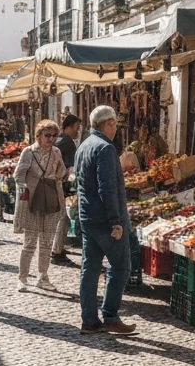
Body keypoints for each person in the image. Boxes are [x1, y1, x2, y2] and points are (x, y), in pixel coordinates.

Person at [75, 105, 136, 336]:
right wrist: (116, 221)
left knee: (90, 269)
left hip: (88, 217)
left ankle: (89, 320)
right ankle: (110, 316)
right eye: (115, 124)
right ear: (109, 123)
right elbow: (107, 188)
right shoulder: (105, 148)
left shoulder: (84, 146)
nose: (116, 128)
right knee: (121, 267)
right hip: (105, 220)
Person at [14, 119, 67, 293]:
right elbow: (19, 174)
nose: (51, 139)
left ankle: (42, 277)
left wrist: (59, 176)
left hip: (51, 200)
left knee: (46, 243)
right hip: (33, 201)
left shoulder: (56, 152)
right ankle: (22, 278)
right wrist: (25, 191)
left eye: (54, 136)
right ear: (38, 135)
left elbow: (62, 170)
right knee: (29, 242)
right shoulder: (28, 152)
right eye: (47, 135)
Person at [52, 114, 80, 266]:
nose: (78, 130)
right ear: (69, 127)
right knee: (63, 219)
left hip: (61, 183)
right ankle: (56, 252)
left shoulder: (63, 140)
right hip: (60, 184)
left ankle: (58, 248)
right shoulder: (64, 141)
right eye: (76, 127)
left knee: (63, 219)